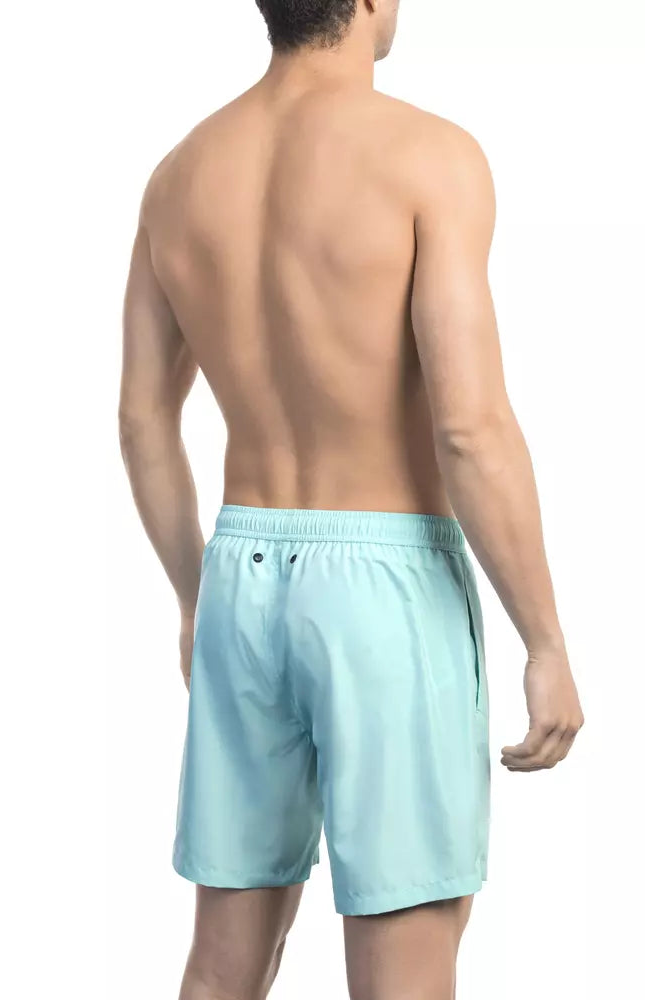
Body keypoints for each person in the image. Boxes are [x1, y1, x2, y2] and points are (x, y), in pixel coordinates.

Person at [119, 1, 584, 997]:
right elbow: (469, 429)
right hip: (385, 580)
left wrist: (194, 598)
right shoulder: (427, 156)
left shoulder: (180, 173)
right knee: (404, 962)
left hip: (240, 574)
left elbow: (142, 420)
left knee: (223, 963)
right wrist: (544, 640)